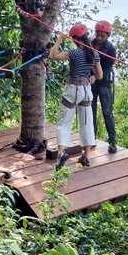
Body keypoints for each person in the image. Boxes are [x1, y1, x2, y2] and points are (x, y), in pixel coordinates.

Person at [48, 23, 102, 170]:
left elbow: (52, 55)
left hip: (73, 90)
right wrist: (92, 78)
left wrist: (59, 39)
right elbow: (100, 75)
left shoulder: (74, 53)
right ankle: (85, 157)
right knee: (86, 122)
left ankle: (61, 154)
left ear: (76, 40)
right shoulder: (94, 54)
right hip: (86, 91)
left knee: (64, 121)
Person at [90, 19, 118, 154]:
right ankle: (92, 138)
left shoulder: (111, 49)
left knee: (107, 112)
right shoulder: (89, 44)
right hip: (90, 81)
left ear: (108, 36)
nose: (100, 38)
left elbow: (107, 68)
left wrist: (96, 76)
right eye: (98, 34)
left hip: (104, 82)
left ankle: (112, 141)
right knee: (91, 111)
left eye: (103, 36)